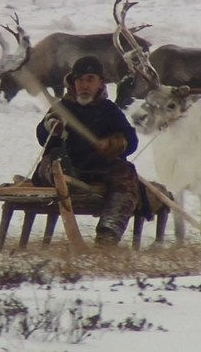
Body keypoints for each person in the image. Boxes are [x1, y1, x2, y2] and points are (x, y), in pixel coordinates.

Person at [32, 55, 141, 247]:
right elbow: (42, 136)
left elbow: (131, 140)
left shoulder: (109, 110)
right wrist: (52, 126)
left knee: (127, 172)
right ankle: (68, 183)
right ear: (73, 83)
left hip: (97, 169)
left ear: (100, 83)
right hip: (64, 167)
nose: (84, 85)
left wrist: (116, 143)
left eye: (90, 79)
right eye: (80, 80)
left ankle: (108, 233)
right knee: (55, 162)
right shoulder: (63, 107)